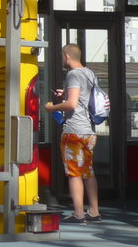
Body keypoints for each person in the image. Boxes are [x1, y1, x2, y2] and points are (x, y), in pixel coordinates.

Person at [43, 44, 102, 224]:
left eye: (63, 57)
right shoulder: (90, 73)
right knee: (88, 171)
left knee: (74, 173)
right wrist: (66, 94)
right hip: (89, 131)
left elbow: (72, 104)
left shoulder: (73, 74)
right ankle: (94, 211)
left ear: (67, 56)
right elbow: (83, 99)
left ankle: (78, 213)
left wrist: (51, 107)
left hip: (74, 131)